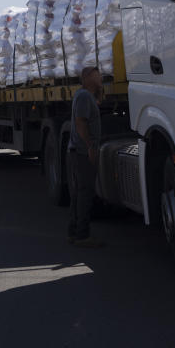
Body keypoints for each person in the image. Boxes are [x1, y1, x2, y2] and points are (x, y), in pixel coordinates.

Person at [67, 65, 104, 247]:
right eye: (98, 75)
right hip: (82, 152)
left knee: (79, 194)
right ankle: (83, 235)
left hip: (79, 150)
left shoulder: (86, 96)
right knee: (85, 194)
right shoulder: (83, 96)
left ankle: (74, 232)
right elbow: (81, 123)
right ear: (88, 77)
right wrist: (90, 147)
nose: (101, 77)